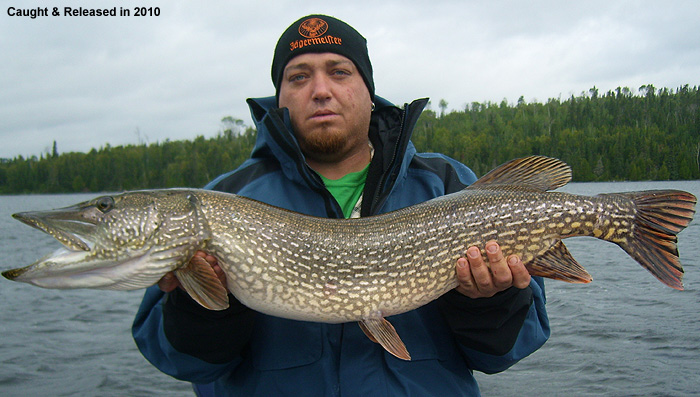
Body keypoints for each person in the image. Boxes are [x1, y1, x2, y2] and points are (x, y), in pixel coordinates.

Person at [133, 14, 549, 396]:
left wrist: (489, 300)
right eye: (298, 77)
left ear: (369, 93)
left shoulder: (445, 185)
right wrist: (203, 308)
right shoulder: (224, 200)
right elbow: (178, 361)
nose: (320, 91)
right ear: (279, 98)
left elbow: (509, 351)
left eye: (339, 72)